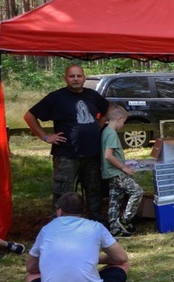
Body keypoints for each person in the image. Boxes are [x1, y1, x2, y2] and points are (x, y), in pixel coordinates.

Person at [24, 64, 110, 220]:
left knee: (94, 190)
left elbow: (106, 108)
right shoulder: (56, 97)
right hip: (66, 155)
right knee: (62, 193)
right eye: (72, 76)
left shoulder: (92, 95)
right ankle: (60, 225)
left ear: (84, 77)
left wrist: (99, 124)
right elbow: (29, 116)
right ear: (65, 78)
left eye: (79, 76)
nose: (76, 79)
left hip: (92, 154)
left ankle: (97, 223)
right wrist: (45, 137)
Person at [25, 192, 130, 282]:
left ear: (59, 211)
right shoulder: (96, 227)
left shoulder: (46, 230)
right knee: (124, 265)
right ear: (83, 211)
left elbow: (31, 267)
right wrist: (99, 259)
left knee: (31, 276)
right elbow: (121, 258)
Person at [101, 106, 143, 237]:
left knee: (115, 198)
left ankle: (114, 227)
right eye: (124, 121)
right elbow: (108, 155)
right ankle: (125, 220)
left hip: (110, 173)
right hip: (116, 172)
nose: (123, 124)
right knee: (137, 191)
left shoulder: (105, 131)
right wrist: (123, 167)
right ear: (119, 119)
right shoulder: (112, 134)